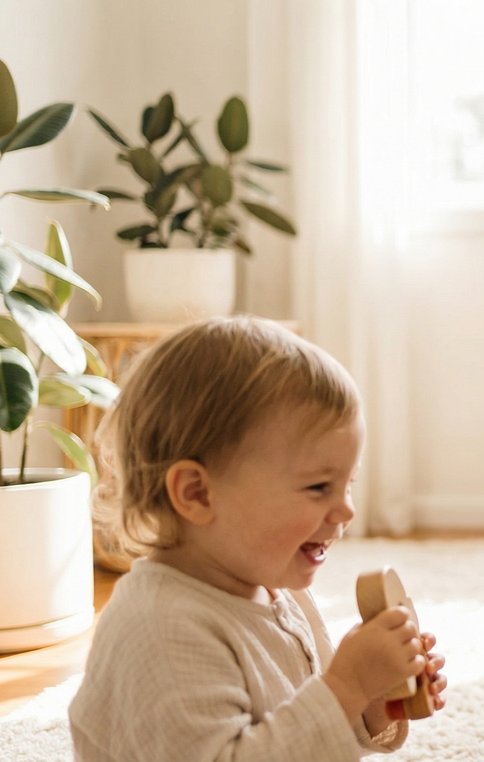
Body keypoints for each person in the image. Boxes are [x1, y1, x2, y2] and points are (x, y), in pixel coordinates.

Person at [69, 316, 448, 761]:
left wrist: (370, 703)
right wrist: (345, 686)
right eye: (318, 487)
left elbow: (295, 731)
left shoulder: (271, 587)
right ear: (197, 494)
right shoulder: (162, 630)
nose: (346, 510)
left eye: (348, 485)